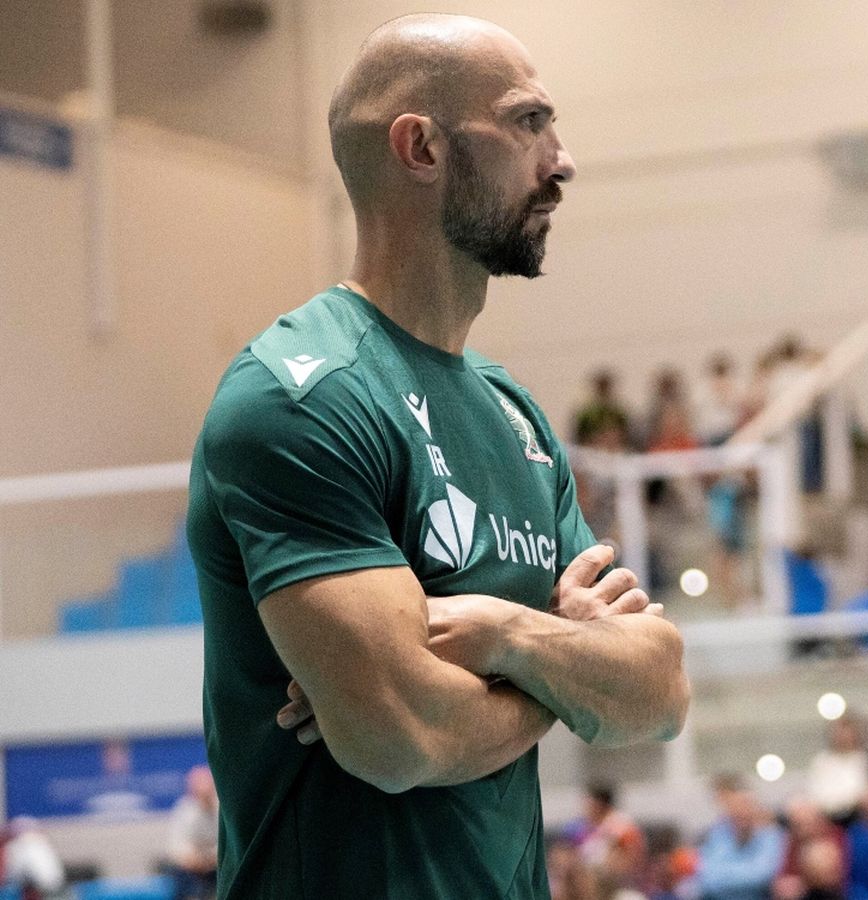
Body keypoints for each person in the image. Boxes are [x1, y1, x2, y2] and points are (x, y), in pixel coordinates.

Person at [187, 15, 690, 898]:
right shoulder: (301, 398)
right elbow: (397, 739)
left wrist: (502, 635)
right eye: (529, 122)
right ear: (420, 146)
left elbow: (659, 691)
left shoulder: (513, 414)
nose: (561, 160)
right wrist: (566, 669)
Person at [699, 783, 786, 900]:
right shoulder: (717, 835)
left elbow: (763, 875)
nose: (742, 811)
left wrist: (724, 874)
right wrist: (746, 870)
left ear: (756, 809)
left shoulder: (772, 836)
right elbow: (707, 878)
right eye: (736, 807)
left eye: (746, 805)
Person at [165, 765, 220, 900]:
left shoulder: (222, 810)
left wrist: (212, 858)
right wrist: (193, 859)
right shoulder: (183, 810)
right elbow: (177, 845)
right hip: (190, 868)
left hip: (217, 866)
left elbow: (228, 844)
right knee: (180, 875)